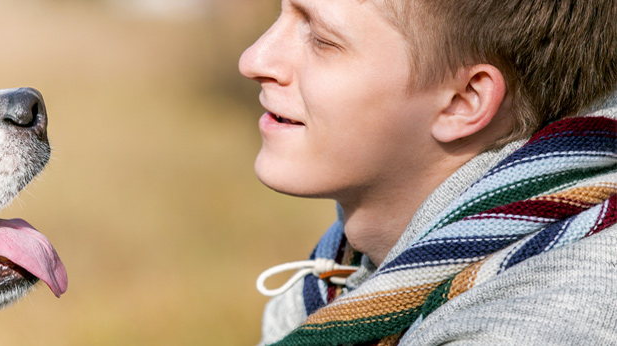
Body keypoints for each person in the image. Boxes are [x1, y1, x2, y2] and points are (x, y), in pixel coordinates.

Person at [241, 0, 617, 345]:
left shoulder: (545, 325)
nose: (253, 60)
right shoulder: (339, 279)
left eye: (323, 40)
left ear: (463, 101)